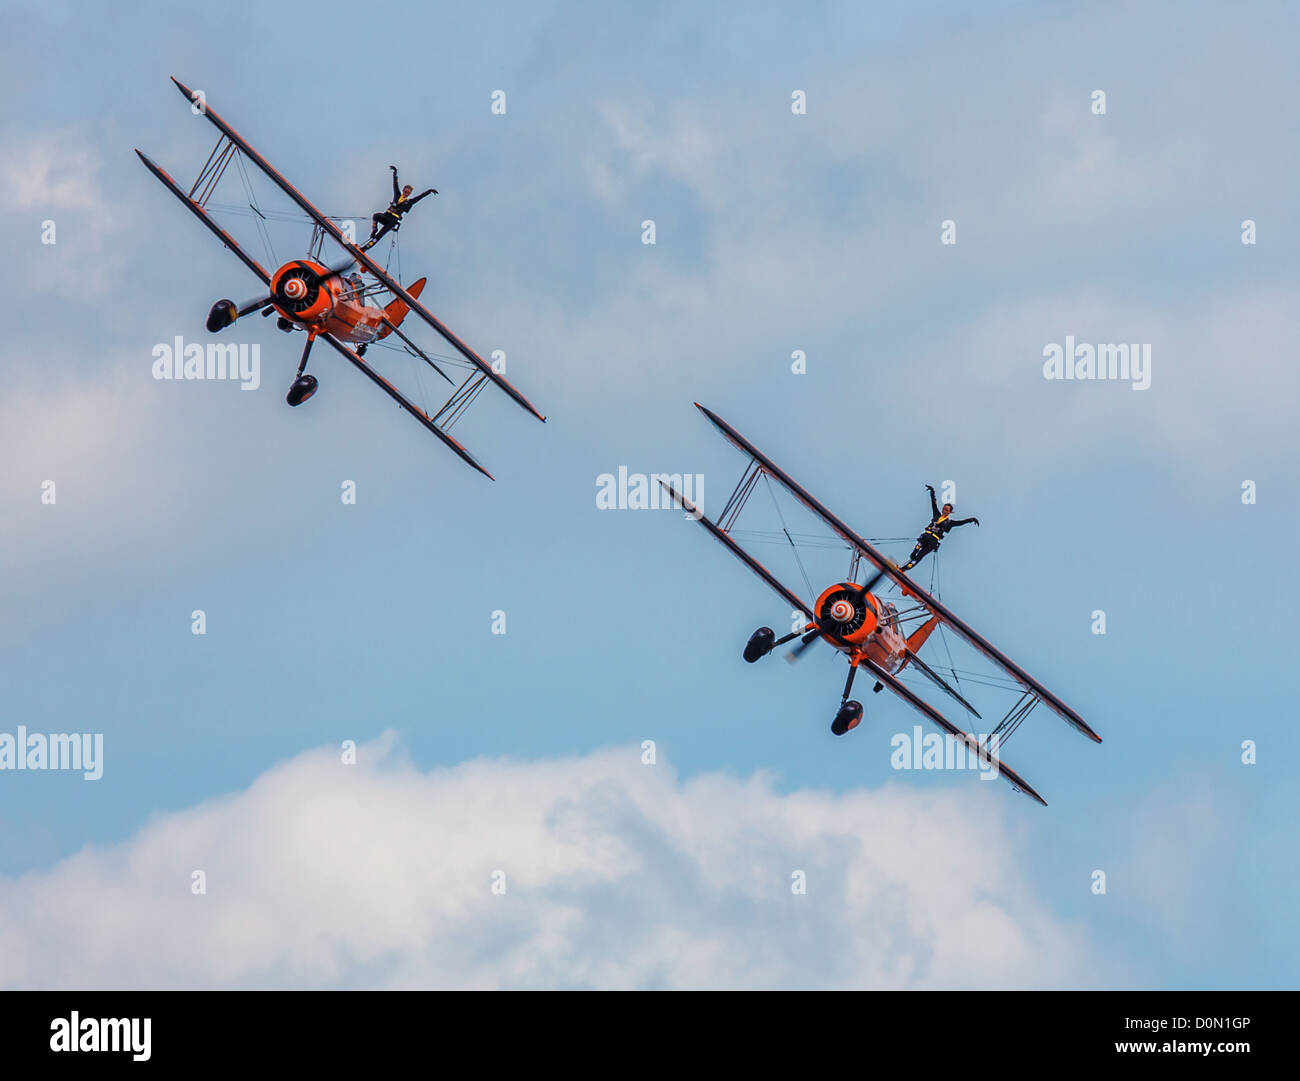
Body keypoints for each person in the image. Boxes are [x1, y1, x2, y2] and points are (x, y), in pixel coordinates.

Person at [898, 484, 979, 572]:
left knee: (919, 557)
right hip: (926, 536)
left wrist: (971, 519)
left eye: (946, 510)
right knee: (917, 548)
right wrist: (932, 492)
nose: (944, 511)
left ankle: (903, 569)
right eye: (944, 509)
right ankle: (912, 555)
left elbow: (960, 522)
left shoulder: (950, 523)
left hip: (933, 541)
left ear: (950, 512)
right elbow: (933, 503)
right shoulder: (937, 514)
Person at [361, 165, 437, 251]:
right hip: (386, 216)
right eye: (405, 191)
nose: (406, 193)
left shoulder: (409, 202)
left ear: (410, 194)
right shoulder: (397, 195)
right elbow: (395, 184)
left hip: (393, 220)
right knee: (376, 216)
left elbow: (420, 197)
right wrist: (395, 173)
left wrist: (429, 191)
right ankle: (374, 230)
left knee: (379, 235)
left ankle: (364, 248)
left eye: (408, 193)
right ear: (403, 190)